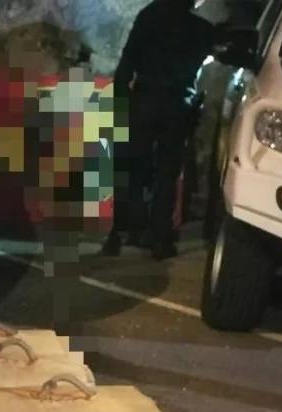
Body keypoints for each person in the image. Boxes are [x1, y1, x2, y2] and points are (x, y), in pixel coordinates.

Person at [101, 0, 216, 260]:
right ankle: (159, 239)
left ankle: (122, 232)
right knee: (167, 173)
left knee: (131, 167)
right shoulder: (202, 29)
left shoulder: (149, 15)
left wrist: (120, 101)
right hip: (178, 105)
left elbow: (128, 60)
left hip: (145, 100)